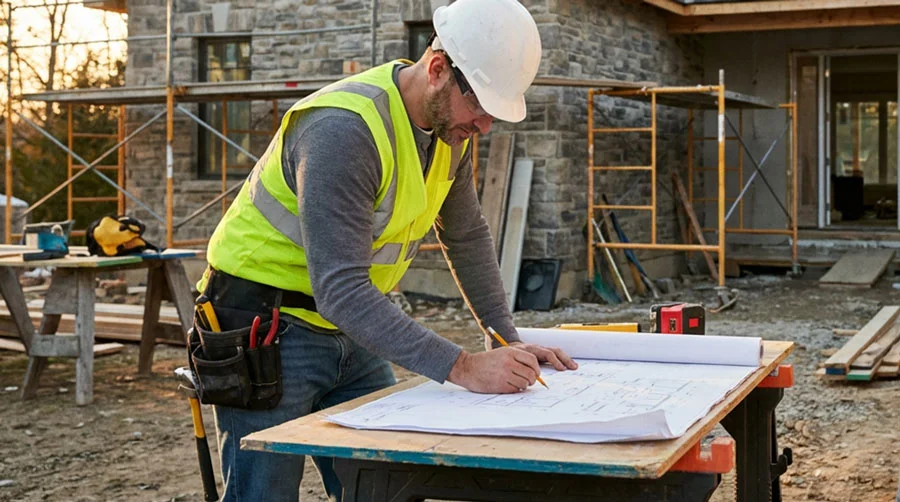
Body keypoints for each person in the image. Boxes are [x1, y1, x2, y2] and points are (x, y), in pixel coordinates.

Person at [195, 0, 578, 499]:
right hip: (264, 327)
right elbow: (341, 288)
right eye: (481, 106)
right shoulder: (342, 130)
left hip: (349, 327)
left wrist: (503, 337)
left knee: (385, 486)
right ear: (437, 70)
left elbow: (465, 235)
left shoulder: (449, 133)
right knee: (264, 494)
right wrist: (463, 367)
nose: (485, 126)